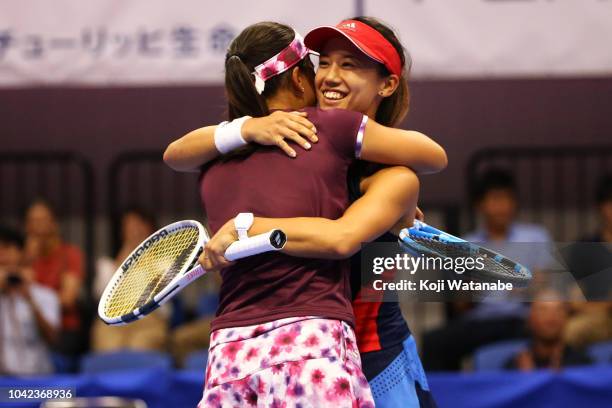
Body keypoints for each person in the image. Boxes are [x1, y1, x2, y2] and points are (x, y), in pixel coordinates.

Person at [165, 18, 443, 407]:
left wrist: (245, 227)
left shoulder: (394, 176)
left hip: (377, 363)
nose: (329, 76)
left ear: (387, 84)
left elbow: (343, 237)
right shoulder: (273, 142)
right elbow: (175, 153)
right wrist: (247, 128)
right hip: (308, 355)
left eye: (348, 65)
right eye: (323, 63)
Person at [422, 168, 553, 371]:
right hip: (481, 321)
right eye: (495, 199)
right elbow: (460, 305)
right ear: (480, 205)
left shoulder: (535, 236)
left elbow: (547, 286)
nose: (503, 207)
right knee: (434, 342)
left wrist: (526, 286)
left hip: (523, 318)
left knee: (549, 329)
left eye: (507, 199)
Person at [91, 207, 169, 352]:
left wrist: (146, 260)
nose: (134, 231)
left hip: (149, 322)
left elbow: (165, 308)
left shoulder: (164, 263)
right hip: (112, 323)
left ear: (150, 228)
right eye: (129, 226)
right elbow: (100, 295)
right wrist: (126, 258)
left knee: (138, 347)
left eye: (139, 225)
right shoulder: (106, 264)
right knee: (109, 349)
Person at [23, 199, 85, 365]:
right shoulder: (22, 258)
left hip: (63, 328)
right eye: (33, 221)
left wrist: (32, 298)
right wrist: (27, 260)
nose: (38, 227)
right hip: (24, 327)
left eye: (43, 220)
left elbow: (67, 300)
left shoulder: (69, 255)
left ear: (54, 224)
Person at [0, 225, 60, 376]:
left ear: (21, 254)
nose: (1, 255)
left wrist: (29, 299)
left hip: (35, 383)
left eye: (6, 248)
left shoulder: (45, 295)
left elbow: (53, 339)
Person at [564, 174, 612, 348]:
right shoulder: (583, 249)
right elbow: (574, 303)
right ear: (601, 208)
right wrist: (606, 307)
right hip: (596, 318)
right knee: (569, 330)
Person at [504, 289, 592, 371]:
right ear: (529, 319)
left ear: (566, 318)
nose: (551, 317)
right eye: (543, 310)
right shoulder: (515, 366)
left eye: (558, 310)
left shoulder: (583, 365)